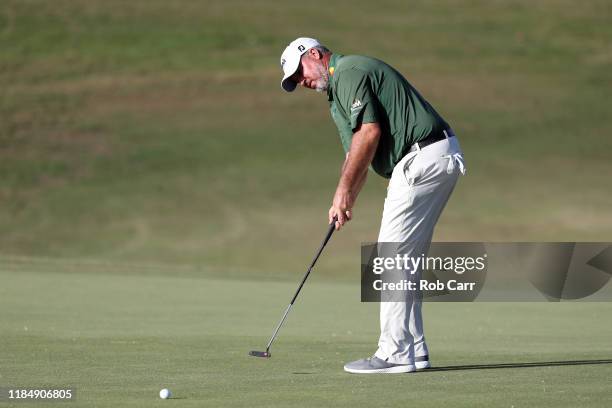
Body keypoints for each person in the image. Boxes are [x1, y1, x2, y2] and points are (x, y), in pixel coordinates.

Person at [279, 37, 466, 374]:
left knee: (391, 255)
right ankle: (414, 349)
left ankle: (394, 353)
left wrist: (343, 192)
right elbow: (356, 155)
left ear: (315, 54)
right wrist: (345, 198)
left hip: (422, 157)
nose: (301, 82)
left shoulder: (349, 70)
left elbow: (369, 134)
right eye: (295, 81)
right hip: (435, 156)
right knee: (404, 259)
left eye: (299, 72)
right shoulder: (337, 95)